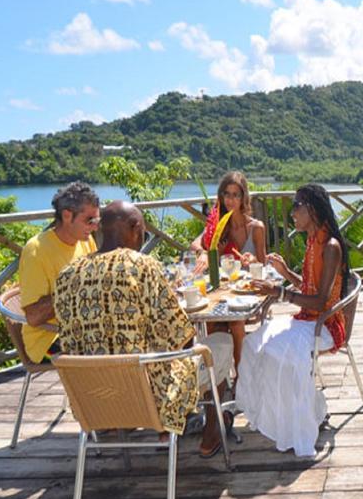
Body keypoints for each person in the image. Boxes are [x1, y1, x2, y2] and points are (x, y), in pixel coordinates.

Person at [54, 201, 235, 457]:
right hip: (149, 397)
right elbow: (181, 338)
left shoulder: (66, 275)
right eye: (144, 233)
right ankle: (210, 433)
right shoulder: (142, 266)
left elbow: (68, 341)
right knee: (221, 342)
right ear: (134, 227)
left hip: (93, 398)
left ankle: (165, 428)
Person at [237, 184, 350, 457]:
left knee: (277, 352)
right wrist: (286, 273)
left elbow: (322, 301)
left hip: (325, 325)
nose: (292, 214)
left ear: (312, 208)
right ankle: (282, 417)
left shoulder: (330, 247)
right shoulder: (313, 241)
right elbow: (311, 288)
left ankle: (299, 422)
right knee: (254, 343)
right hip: (308, 319)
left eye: (296, 206)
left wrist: (280, 292)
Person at [191, 171, 267, 366]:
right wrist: (203, 252)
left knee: (236, 322)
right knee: (210, 322)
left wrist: (254, 261)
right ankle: (218, 380)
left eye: (236, 195)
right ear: (221, 197)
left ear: (244, 198)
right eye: (227, 194)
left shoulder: (256, 227)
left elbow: (263, 265)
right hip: (222, 293)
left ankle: (241, 378)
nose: (231, 200)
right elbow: (196, 243)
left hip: (247, 295)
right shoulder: (218, 226)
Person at [18, 182, 100, 364]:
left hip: (83, 328)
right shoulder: (37, 250)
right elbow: (33, 317)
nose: (94, 227)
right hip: (47, 342)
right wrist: (73, 290)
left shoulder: (85, 241)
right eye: (89, 221)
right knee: (111, 348)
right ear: (67, 216)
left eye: (97, 221)